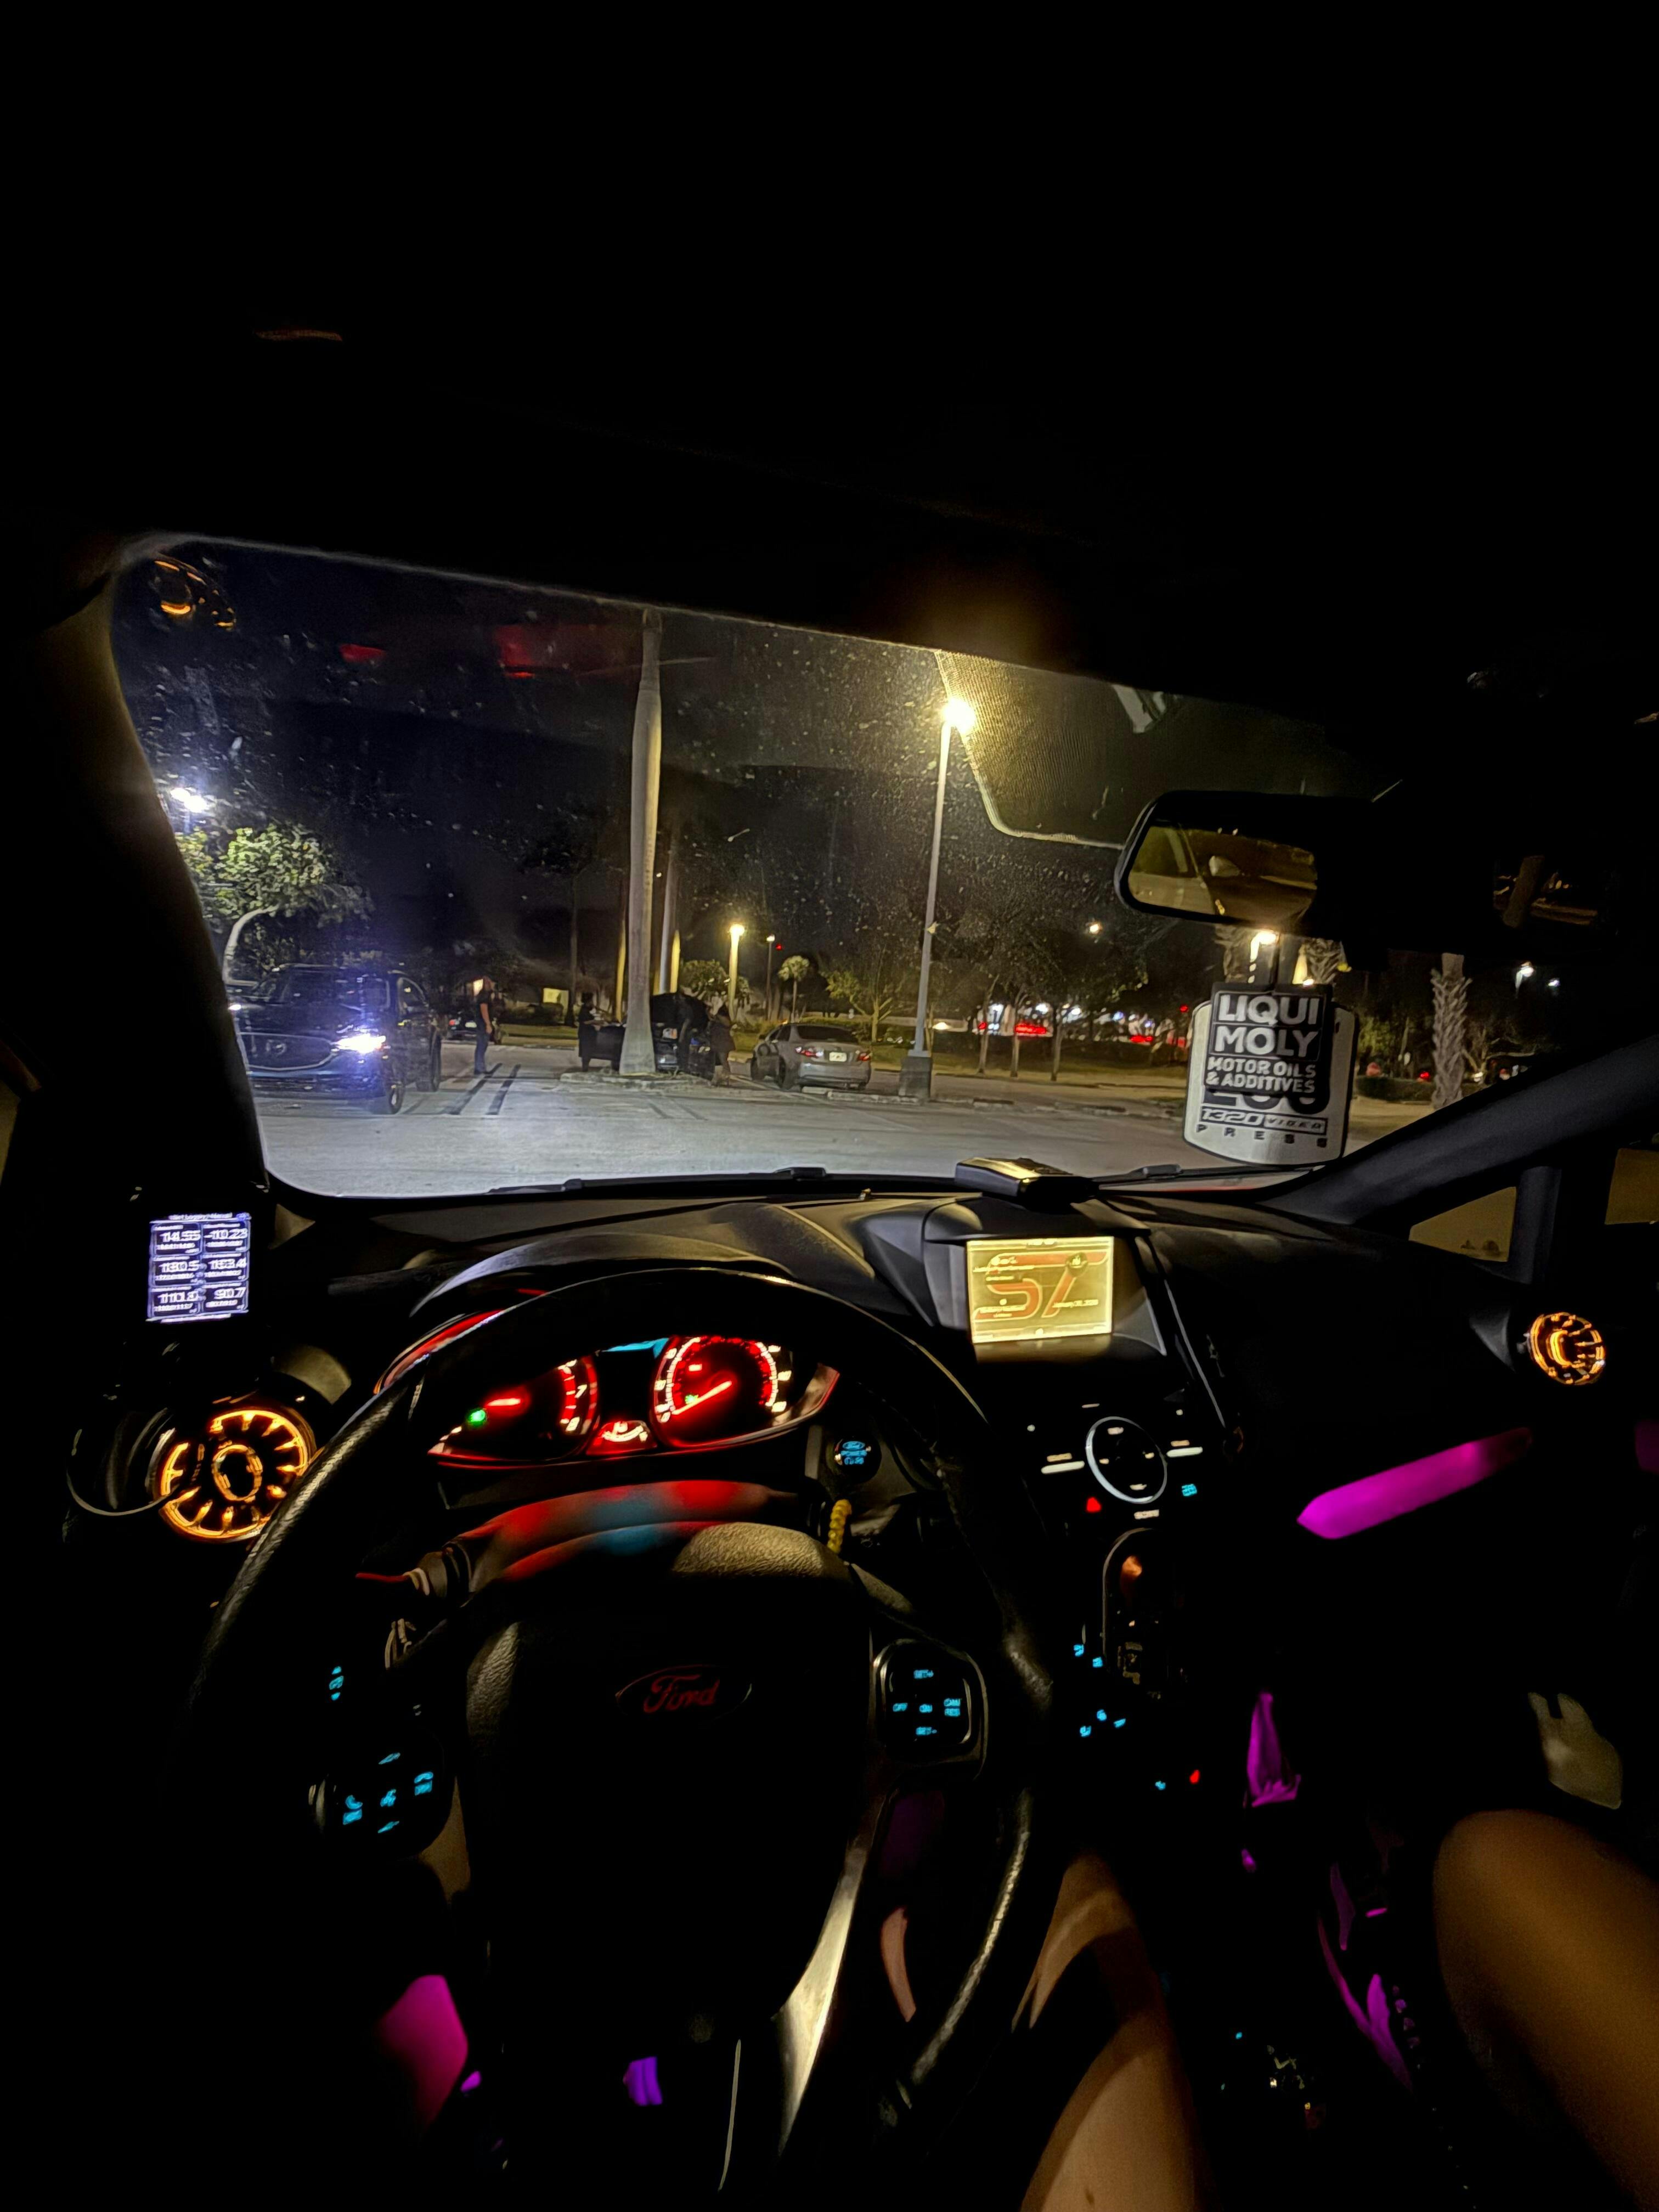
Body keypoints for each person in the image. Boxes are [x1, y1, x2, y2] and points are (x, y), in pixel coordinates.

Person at [469, 974, 496, 1075]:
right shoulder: (485, 996)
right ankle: (479, 1068)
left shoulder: (484, 995)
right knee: (482, 1045)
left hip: (482, 1022)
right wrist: (488, 1024)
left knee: (482, 1045)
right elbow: (484, 1010)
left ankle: (480, 1067)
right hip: (482, 1023)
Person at [707, 999, 733, 1083]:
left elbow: (727, 1024)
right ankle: (720, 1076)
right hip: (717, 1041)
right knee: (718, 1061)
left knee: (723, 1060)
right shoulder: (716, 1018)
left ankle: (726, 1076)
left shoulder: (722, 1017)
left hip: (723, 1041)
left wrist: (716, 1015)